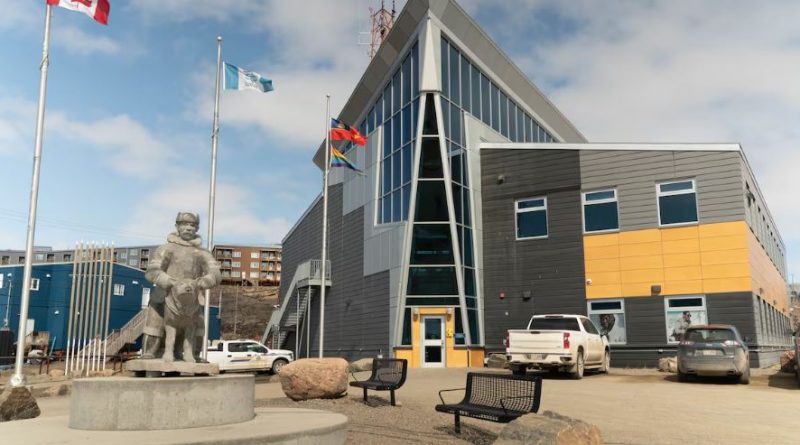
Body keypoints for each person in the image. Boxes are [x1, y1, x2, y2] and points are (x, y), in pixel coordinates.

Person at [143, 212, 221, 361]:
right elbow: (152, 271)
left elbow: (216, 273)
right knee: (155, 323)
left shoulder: (202, 253)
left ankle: (193, 355)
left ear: (197, 228)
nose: (189, 228)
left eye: (192, 225)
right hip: (164, 295)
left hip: (191, 297)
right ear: (177, 227)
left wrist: (204, 281)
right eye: (184, 224)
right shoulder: (165, 249)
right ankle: (150, 354)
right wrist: (169, 281)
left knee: (197, 326)